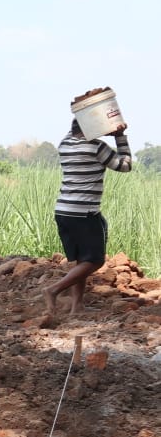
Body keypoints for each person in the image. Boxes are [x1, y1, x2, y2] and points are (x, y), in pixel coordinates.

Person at [43, 104, 133, 320]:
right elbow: (125, 166)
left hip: (63, 211)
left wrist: (88, 112)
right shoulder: (96, 147)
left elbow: (79, 123)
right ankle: (53, 290)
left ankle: (77, 306)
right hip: (85, 213)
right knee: (95, 261)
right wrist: (120, 136)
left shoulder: (64, 143)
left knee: (81, 260)